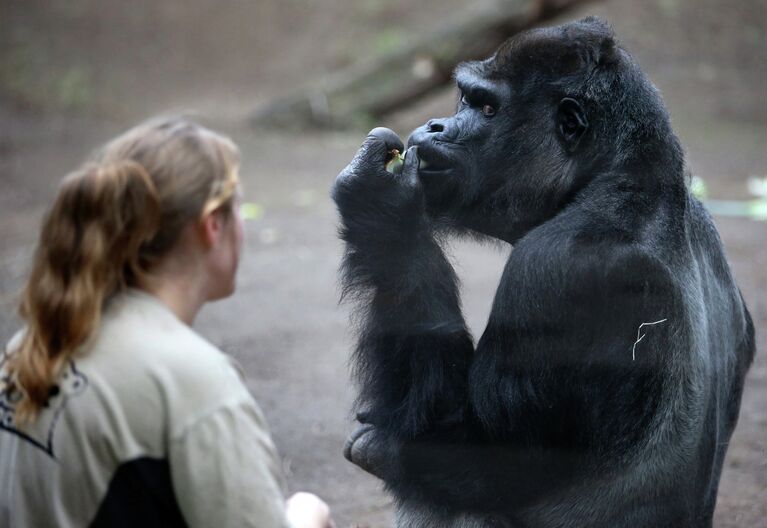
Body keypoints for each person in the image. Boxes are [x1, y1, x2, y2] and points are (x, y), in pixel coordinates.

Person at [0, 117, 334, 528]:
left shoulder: (33, 344)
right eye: (238, 208)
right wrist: (307, 516)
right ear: (212, 225)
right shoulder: (190, 381)